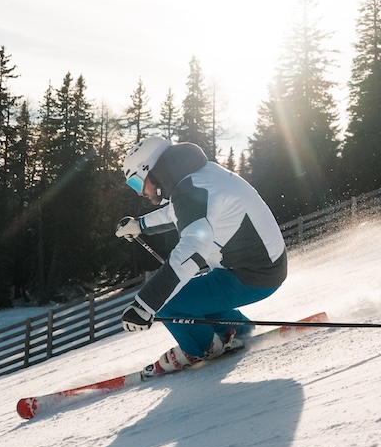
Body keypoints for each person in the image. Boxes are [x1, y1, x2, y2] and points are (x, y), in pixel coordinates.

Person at [115, 136, 288, 377]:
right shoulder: (198, 177)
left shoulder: (190, 189)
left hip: (253, 274)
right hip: (259, 266)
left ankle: (201, 349)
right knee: (192, 292)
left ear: (150, 170)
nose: (139, 193)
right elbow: (178, 212)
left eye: (136, 183)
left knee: (169, 303)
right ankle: (234, 329)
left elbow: (192, 249)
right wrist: (140, 225)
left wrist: (146, 304)